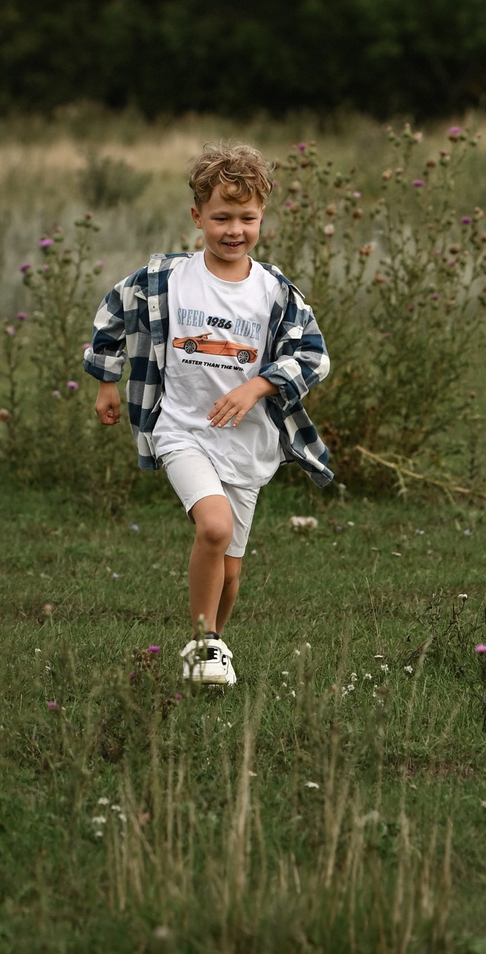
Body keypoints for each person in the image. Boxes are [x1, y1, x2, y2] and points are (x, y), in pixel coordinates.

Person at [86, 142, 334, 688]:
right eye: (221, 217)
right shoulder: (165, 280)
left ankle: (214, 646)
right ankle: (203, 642)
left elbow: (313, 355)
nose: (233, 229)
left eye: (247, 218)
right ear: (197, 216)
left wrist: (258, 387)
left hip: (248, 443)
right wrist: (107, 379)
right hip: (182, 430)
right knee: (214, 529)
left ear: (263, 218)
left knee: (232, 572)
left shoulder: (275, 293)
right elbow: (112, 312)